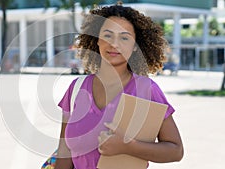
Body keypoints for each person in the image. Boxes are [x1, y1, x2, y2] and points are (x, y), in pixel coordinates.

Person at [55, 3, 184, 169]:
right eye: (108, 35)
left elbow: (175, 150)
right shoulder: (75, 89)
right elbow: (64, 152)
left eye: (124, 38)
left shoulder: (147, 89)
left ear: (135, 46)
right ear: (97, 40)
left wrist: (129, 146)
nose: (114, 44)